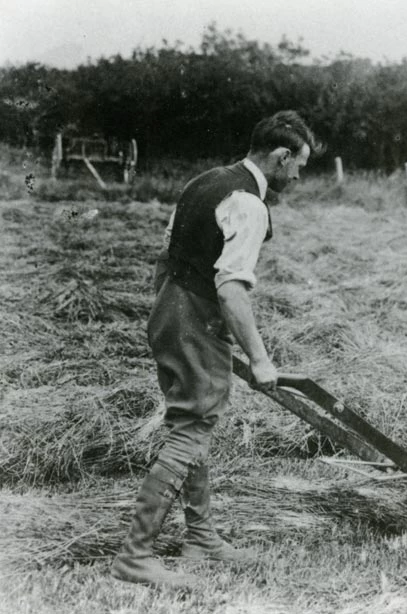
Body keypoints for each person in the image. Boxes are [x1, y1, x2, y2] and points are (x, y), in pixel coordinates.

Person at [111, 111, 322, 588]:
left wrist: (169, 310)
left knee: (193, 422)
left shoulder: (205, 181)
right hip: (195, 315)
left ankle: (201, 537)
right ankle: (135, 554)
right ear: (281, 156)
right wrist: (261, 359)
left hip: (170, 307)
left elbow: (167, 251)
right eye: (299, 166)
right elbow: (231, 289)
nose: (298, 176)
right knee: (192, 428)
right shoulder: (248, 204)